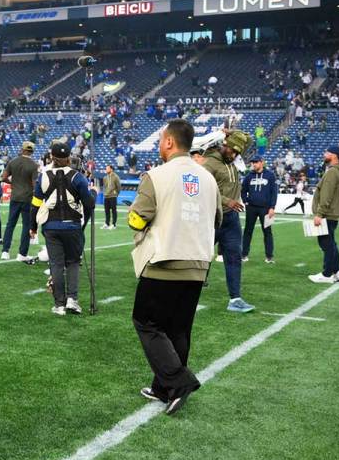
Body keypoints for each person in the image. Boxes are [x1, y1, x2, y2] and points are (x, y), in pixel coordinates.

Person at [128, 119, 222, 416]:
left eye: (160, 140)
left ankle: (179, 382)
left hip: (163, 261)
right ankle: (162, 388)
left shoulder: (156, 175)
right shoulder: (208, 178)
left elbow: (137, 219)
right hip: (197, 264)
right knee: (179, 329)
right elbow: (217, 220)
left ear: (169, 142)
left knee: (146, 322)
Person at [34, 140, 95, 315]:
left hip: (50, 227)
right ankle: (72, 300)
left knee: (56, 264)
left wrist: (32, 226)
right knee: (73, 262)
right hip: (72, 226)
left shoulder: (43, 176)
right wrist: (93, 193)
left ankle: (59, 304)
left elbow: (35, 203)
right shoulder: (78, 177)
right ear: (69, 158)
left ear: (51, 157)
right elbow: (89, 203)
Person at [200, 130, 255, 313]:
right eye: (233, 151)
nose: (235, 155)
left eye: (238, 153)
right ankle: (190, 287)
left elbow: (249, 140)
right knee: (199, 256)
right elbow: (203, 188)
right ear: (224, 146)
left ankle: (235, 299)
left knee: (234, 257)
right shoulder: (209, 163)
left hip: (230, 218)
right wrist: (226, 201)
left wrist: (234, 133)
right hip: (211, 218)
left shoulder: (231, 159)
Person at [308, 146, 339, 284]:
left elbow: (326, 195)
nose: (324, 154)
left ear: (334, 156)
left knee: (326, 243)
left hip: (327, 214)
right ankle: (338, 271)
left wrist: (319, 213)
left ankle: (326, 274)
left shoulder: (332, 172)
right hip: (333, 213)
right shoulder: (338, 171)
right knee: (331, 242)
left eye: (327, 152)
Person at [1, 141, 39, 263]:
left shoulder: (13, 162)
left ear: (22, 150)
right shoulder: (34, 165)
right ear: (32, 151)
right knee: (26, 226)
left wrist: (13, 183)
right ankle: (22, 253)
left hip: (15, 197)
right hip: (27, 198)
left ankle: (5, 251)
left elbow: (4, 177)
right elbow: (34, 184)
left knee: (10, 224)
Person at [241, 155, 277, 263]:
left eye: (256, 162)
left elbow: (274, 192)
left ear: (262, 162)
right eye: (253, 162)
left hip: (266, 209)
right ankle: (244, 255)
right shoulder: (249, 176)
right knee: (247, 231)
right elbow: (243, 190)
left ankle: (269, 257)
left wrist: (272, 207)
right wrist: (246, 201)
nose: (254, 164)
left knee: (267, 232)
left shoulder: (270, 175)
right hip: (251, 208)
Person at [101, 163, 121, 229]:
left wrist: (116, 194)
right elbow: (104, 186)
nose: (106, 169)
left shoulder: (116, 177)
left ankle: (114, 224)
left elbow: (119, 187)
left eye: (107, 168)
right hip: (106, 196)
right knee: (106, 211)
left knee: (113, 210)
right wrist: (105, 193)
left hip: (113, 196)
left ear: (111, 169)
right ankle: (107, 223)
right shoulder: (105, 177)